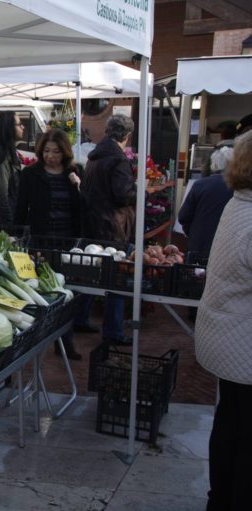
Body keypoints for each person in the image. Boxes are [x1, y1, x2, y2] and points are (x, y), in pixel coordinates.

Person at [194, 129, 252, 511]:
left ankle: (220, 500)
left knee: (230, 421)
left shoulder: (239, 201)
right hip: (243, 341)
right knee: (245, 434)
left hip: (226, 335)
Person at [15, 128, 86, 359]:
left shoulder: (74, 172)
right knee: (43, 289)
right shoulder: (31, 174)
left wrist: (78, 186)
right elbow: (20, 207)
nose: (51, 156)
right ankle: (37, 336)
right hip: (40, 241)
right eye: (46, 151)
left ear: (64, 152)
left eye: (56, 151)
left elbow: (84, 208)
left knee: (67, 291)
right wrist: (16, 235)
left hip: (67, 241)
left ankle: (66, 341)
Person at [80, 114, 136, 347]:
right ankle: (113, 330)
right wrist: (140, 192)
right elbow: (123, 195)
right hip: (114, 226)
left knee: (91, 273)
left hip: (94, 222)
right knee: (117, 277)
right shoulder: (118, 160)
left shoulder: (94, 157)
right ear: (126, 135)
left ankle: (79, 317)